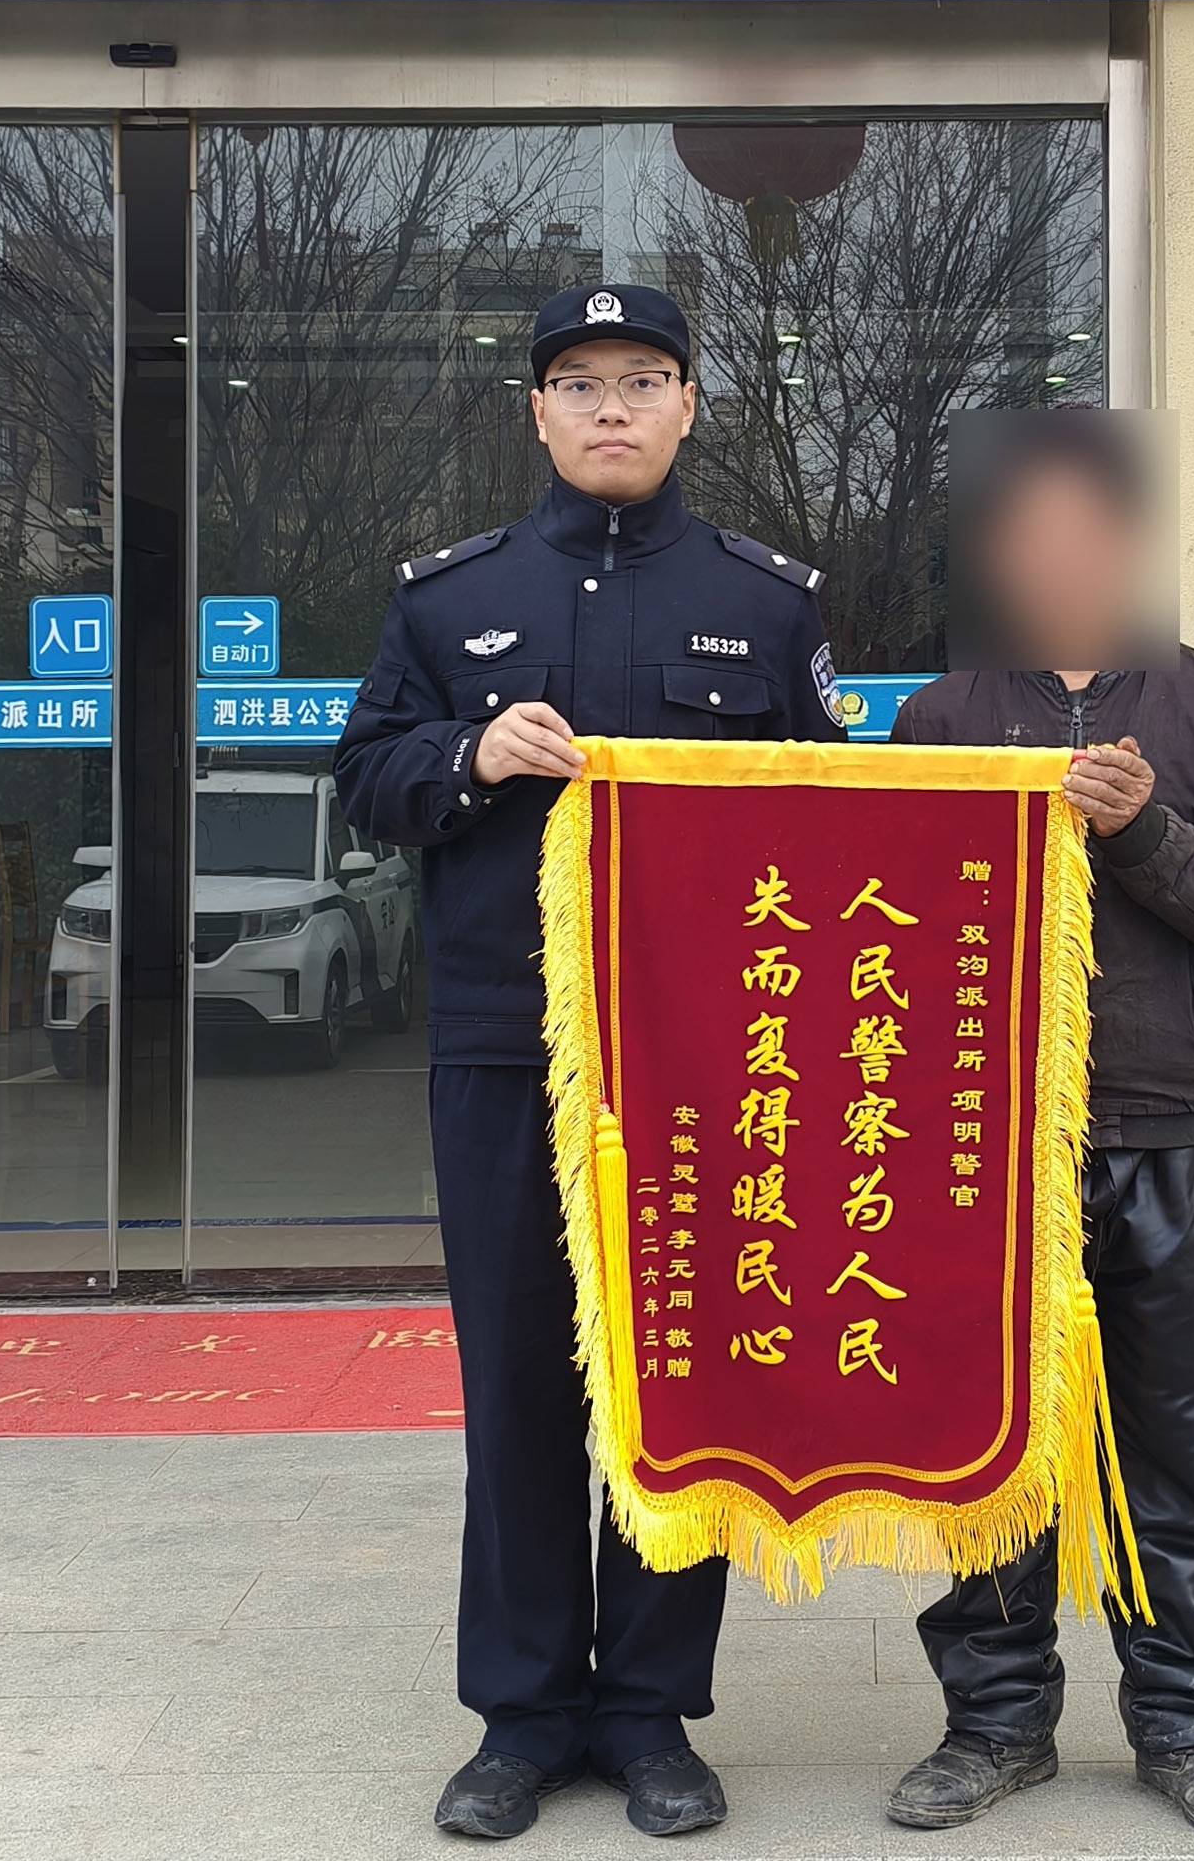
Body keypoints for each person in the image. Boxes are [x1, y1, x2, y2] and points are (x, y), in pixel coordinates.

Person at [333, 280, 843, 1843]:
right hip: (509, 1051)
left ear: (688, 405)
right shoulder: (449, 601)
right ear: (536, 413)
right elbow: (364, 780)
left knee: (681, 1381)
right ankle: (523, 1716)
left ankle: (649, 1714)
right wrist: (469, 754)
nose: (609, 407)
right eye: (578, 382)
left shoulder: (764, 603)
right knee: (517, 1385)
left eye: (640, 379)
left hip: (705, 1061)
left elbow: (833, 821)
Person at [882, 409, 1194, 1849]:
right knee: (988, 1449)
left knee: (1169, 1452)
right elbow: (892, 939)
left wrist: (1144, 831)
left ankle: (1187, 1727)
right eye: (1031, 528)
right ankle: (993, 1724)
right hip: (985, 1149)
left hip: (1167, 1129)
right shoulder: (939, 718)